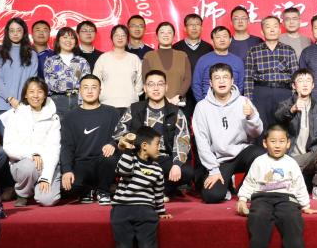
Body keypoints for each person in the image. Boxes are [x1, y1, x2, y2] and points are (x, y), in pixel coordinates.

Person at [236, 124, 317, 248]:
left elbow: (299, 184)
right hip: (262, 197)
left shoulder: (291, 162)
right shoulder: (259, 161)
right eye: (273, 141)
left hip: (286, 198)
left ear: (288, 144)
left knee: (292, 216)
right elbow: (249, 182)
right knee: (258, 215)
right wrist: (242, 200)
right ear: (265, 143)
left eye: (281, 141)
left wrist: (305, 205)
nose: (277, 145)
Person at [110, 125, 170, 248]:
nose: (159, 148)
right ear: (144, 146)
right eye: (157, 144)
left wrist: (161, 212)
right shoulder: (129, 160)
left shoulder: (157, 169)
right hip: (122, 210)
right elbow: (123, 170)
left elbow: (158, 193)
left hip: (146, 212)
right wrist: (128, 149)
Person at [113, 69, 193, 196]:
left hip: (163, 159)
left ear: (166, 87)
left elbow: (182, 140)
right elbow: (119, 133)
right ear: (145, 88)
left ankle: (146, 190)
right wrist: (128, 143)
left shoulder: (176, 112)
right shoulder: (134, 109)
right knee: (113, 161)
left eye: (160, 84)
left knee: (187, 172)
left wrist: (177, 164)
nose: (156, 88)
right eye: (151, 84)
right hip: (138, 158)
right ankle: (160, 190)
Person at [193, 63, 264, 203]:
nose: (221, 81)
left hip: (241, 153)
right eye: (217, 78)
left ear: (232, 81)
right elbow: (202, 142)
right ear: (210, 83)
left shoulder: (243, 101)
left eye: (225, 77)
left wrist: (251, 117)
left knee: (261, 155)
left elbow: (257, 133)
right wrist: (213, 170)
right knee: (211, 196)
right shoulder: (202, 107)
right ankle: (227, 185)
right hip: (219, 160)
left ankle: (244, 188)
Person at [273, 69, 317, 201]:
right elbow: (278, 117)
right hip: (290, 156)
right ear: (294, 86)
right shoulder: (285, 104)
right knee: (283, 188)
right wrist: (292, 109)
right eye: (300, 81)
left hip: (311, 155)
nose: (305, 84)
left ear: (313, 85)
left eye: (308, 81)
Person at [59, 74, 122, 205]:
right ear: (80, 91)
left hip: (103, 161)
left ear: (100, 90)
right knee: (68, 188)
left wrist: (113, 144)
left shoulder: (112, 112)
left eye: (94, 87)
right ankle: (87, 190)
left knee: (110, 159)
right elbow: (66, 146)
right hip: (81, 163)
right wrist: (67, 170)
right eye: (85, 87)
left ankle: (103, 191)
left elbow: (121, 136)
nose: (89, 91)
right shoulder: (70, 116)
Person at [1, 77, 61, 207]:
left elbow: (54, 149)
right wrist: (32, 154)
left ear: (45, 95)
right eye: (31, 91)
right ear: (25, 95)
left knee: (47, 200)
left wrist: (46, 177)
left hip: (47, 164)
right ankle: (23, 193)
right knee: (28, 167)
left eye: (40, 91)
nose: (36, 95)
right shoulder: (15, 115)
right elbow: (8, 146)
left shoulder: (53, 118)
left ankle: (39, 186)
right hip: (24, 164)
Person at [244, 16, 300, 126]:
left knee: (284, 126)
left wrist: (295, 98)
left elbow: (295, 77)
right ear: (262, 31)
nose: (272, 30)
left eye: (275, 26)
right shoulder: (253, 51)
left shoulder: (289, 50)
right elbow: (248, 78)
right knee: (261, 125)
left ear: (279, 30)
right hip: (261, 93)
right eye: (268, 27)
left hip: (284, 93)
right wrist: (248, 100)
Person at [0, 18, 39, 124]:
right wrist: (10, 99)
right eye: (12, 30)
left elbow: (32, 81)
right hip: (3, 104)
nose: (15, 33)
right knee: (5, 135)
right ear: (7, 33)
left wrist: (23, 102)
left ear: (24, 32)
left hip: (24, 105)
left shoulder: (32, 55)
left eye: (18, 30)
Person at [92, 24, 143, 111]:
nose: (120, 38)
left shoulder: (134, 58)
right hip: (107, 104)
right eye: (117, 35)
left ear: (127, 38)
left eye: (123, 35)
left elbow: (139, 80)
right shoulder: (103, 58)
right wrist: (102, 94)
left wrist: (134, 94)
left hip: (130, 104)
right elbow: (96, 79)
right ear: (112, 38)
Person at [43, 26, 91, 115]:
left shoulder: (81, 62)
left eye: (72, 38)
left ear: (75, 41)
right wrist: (74, 84)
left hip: (78, 100)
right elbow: (51, 84)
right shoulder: (50, 61)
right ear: (58, 40)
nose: (68, 40)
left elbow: (86, 83)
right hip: (57, 101)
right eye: (65, 37)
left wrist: (63, 84)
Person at [172, 13, 213, 118]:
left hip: (203, 92)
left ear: (201, 28)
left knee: (204, 120)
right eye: (191, 24)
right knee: (182, 121)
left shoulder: (208, 48)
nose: (194, 27)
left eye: (197, 24)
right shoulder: (176, 47)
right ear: (185, 28)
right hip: (183, 93)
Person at [191, 26, 245, 103]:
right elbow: (196, 84)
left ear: (230, 40)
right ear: (212, 41)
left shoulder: (238, 61)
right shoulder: (203, 60)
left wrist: (234, 102)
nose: (222, 40)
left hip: (232, 103)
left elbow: (241, 85)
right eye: (218, 37)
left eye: (225, 36)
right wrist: (202, 103)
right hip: (208, 103)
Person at [142, 22, 191, 106]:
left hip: (178, 103)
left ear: (174, 36)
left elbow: (187, 79)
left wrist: (178, 96)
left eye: (169, 32)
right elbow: (146, 80)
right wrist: (164, 99)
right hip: (155, 104)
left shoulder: (183, 55)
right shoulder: (149, 56)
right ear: (157, 36)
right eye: (162, 32)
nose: (166, 35)